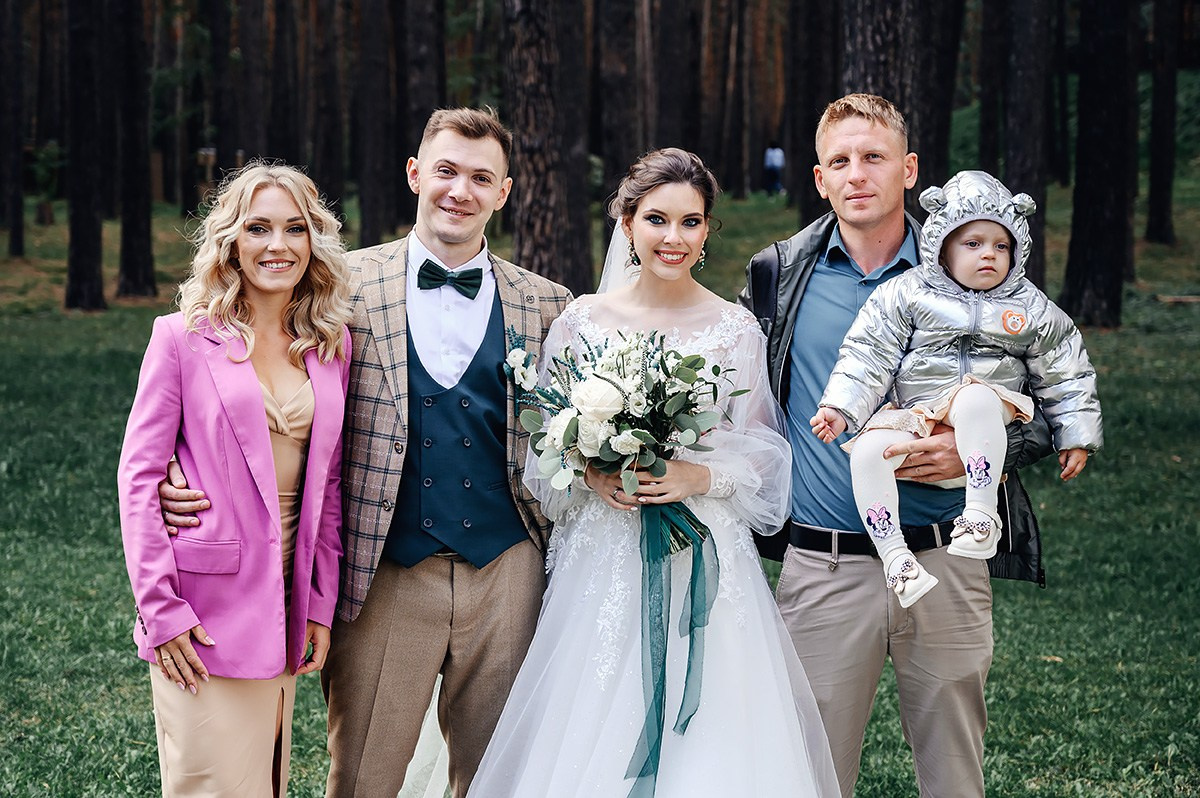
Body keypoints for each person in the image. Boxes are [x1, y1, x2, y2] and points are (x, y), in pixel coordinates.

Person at [157, 108, 572, 798]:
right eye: (445, 171)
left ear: (503, 192)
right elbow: (232, 368)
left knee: (504, 774)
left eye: (480, 178)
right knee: (363, 779)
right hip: (381, 569)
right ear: (415, 174)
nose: (458, 191)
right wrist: (180, 464)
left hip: (509, 568)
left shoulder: (550, 304)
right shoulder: (335, 286)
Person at [466, 148, 839, 797]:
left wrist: (701, 478)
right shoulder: (583, 321)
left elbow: (762, 449)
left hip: (703, 554)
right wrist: (592, 474)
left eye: (691, 222)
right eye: (658, 219)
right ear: (628, 221)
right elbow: (543, 450)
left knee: (714, 737)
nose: (674, 237)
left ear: (706, 231)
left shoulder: (734, 326)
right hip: (604, 556)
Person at [740, 95, 1056, 798]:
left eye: (874, 157)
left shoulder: (976, 261)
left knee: (954, 773)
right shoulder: (777, 276)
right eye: (840, 161)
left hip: (945, 558)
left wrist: (996, 444)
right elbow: (739, 401)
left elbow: (1049, 399)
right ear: (819, 178)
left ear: (908, 170)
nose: (858, 174)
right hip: (823, 569)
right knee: (809, 775)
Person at [118, 161, 352, 796]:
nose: (277, 245)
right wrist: (161, 609)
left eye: (294, 228)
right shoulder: (181, 338)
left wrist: (320, 604)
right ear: (231, 241)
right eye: (258, 228)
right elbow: (140, 478)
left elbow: (326, 489)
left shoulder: (331, 345)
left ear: (313, 241)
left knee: (263, 783)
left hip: (285, 600)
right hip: (201, 610)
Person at [810, 170, 1103, 607]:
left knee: (973, 395)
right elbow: (868, 353)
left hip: (990, 411)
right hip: (922, 414)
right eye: (973, 244)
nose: (989, 255)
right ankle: (896, 559)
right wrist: (841, 408)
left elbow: (1066, 370)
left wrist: (1075, 434)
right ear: (941, 248)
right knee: (869, 452)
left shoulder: (1029, 306)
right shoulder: (907, 294)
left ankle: (981, 515)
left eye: (1000, 245)